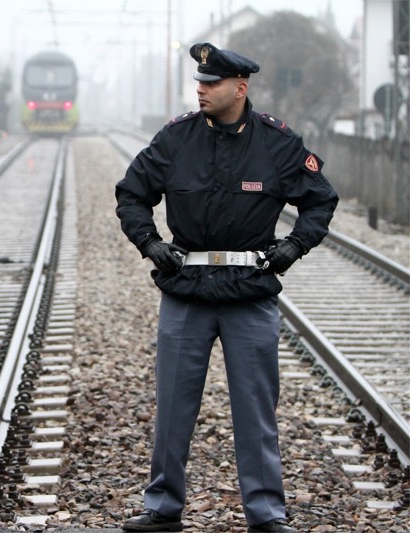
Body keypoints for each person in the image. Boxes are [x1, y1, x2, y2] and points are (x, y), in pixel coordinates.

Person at [115, 42, 339, 533]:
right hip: (187, 293)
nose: (201, 90)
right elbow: (131, 194)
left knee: (256, 410)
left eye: (211, 83)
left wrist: (294, 246)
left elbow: (321, 200)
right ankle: (163, 507)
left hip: (250, 295)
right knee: (173, 406)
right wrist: (150, 243)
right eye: (198, 82)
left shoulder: (277, 144)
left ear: (240, 87)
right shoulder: (176, 140)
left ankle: (266, 514)